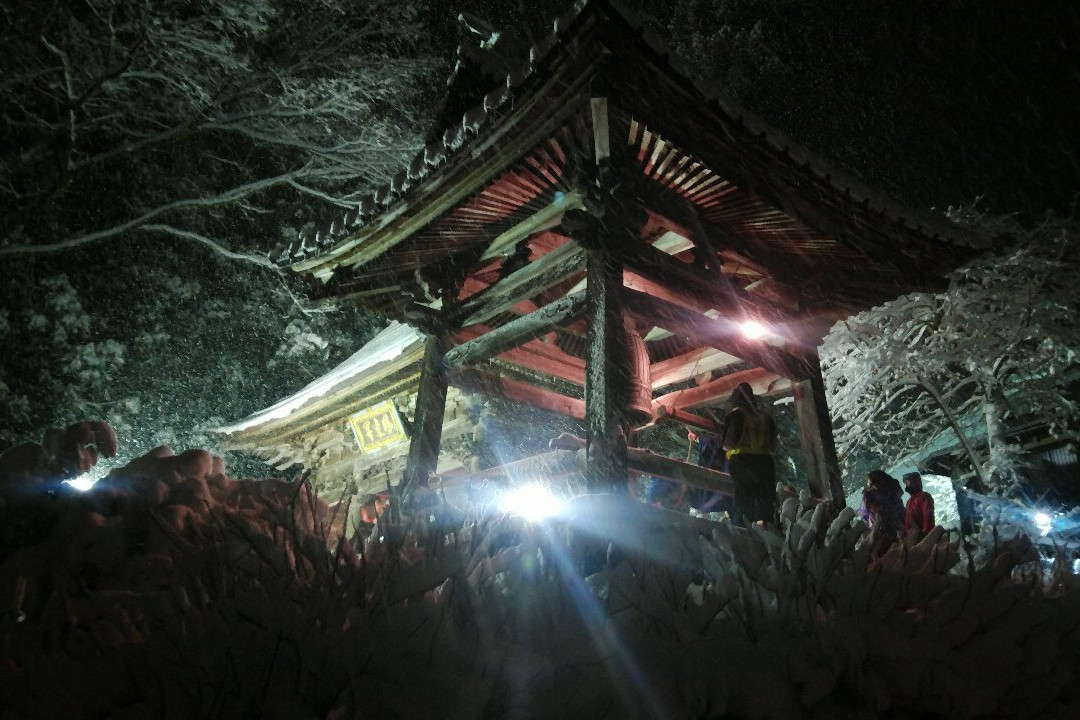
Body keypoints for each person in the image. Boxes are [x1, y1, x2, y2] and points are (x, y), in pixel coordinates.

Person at [722, 382, 777, 526]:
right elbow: (773, 447)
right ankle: (769, 531)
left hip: (742, 465)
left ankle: (743, 531)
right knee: (765, 503)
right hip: (765, 466)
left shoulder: (735, 415)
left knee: (743, 503)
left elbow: (728, 445)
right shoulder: (766, 418)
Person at [859, 469, 906, 554]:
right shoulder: (893, 489)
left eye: (868, 481)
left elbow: (865, 513)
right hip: (902, 525)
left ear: (874, 480)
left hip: (884, 530)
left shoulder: (871, 494)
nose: (867, 483)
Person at [902, 471, 935, 537]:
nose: (906, 486)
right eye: (905, 483)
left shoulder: (924, 497)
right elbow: (907, 520)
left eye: (907, 483)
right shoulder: (909, 501)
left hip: (923, 535)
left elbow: (928, 516)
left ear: (914, 483)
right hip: (913, 535)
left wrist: (925, 532)